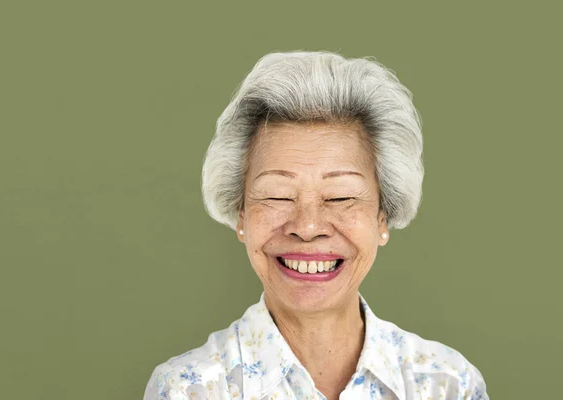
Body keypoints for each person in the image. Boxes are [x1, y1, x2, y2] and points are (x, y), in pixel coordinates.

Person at [143, 51, 489, 400]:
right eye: (277, 196)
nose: (307, 226)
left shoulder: (448, 384)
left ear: (382, 216)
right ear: (241, 215)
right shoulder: (189, 389)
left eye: (340, 197)